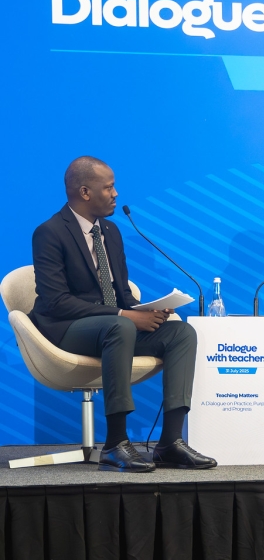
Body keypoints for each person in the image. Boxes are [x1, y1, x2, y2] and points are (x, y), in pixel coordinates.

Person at [30, 157, 216, 472]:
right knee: (121, 327)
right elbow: (56, 301)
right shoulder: (49, 232)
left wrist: (146, 311)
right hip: (65, 329)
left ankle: (171, 442)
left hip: (114, 327)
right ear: (85, 192)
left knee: (181, 333)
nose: (116, 193)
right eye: (109, 187)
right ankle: (116, 442)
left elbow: (122, 294)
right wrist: (124, 315)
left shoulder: (111, 232)